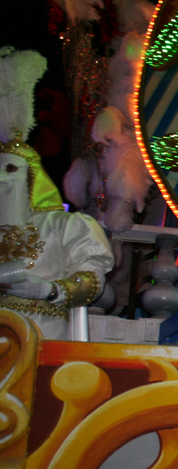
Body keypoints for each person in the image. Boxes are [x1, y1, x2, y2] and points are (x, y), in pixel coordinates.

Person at [0, 47, 114, 340]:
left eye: (11, 170)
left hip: (43, 346)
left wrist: (48, 289)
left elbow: (90, 279)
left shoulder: (66, 226)